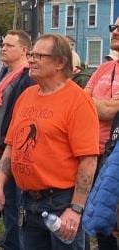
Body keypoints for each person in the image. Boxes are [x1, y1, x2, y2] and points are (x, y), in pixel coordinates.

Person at [0, 33, 99, 250]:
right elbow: (11, 146)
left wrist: (76, 208)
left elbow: (88, 160)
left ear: (60, 62)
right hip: (28, 202)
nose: (31, 60)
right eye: (31, 54)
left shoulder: (78, 101)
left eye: (39, 55)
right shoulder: (26, 96)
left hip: (61, 202)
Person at [0, 30, 34, 250]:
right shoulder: (3, 73)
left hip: (12, 149)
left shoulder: (27, 77)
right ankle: (9, 239)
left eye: (9, 45)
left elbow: (20, 116)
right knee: (4, 199)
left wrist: (3, 143)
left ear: (24, 50)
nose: (3, 48)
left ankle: (16, 244)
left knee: (15, 201)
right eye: (3, 44)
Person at [83, 18, 119, 250]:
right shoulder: (104, 68)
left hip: (113, 154)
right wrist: (99, 105)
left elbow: (110, 111)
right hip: (90, 151)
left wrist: (92, 104)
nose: (114, 31)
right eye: (113, 27)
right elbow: (79, 103)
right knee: (96, 220)